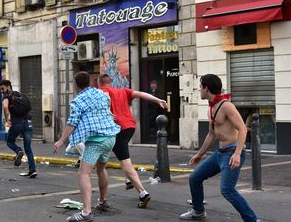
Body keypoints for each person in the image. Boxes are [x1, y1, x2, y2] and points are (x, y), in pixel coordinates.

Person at [180, 74, 260, 222]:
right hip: (220, 153)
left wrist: (237, 154)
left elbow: (242, 129)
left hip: (232, 153)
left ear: (206, 88)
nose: (199, 90)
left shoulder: (226, 106)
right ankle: (198, 211)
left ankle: (253, 220)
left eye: (200, 87)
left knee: (227, 190)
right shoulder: (211, 108)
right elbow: (211, 134)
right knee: (195, 178)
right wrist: (199, 154)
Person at [53, 71, 120, 222]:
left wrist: (61, 141)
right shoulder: (101, 94)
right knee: (101, 169)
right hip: (110, 137)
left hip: (96, 141)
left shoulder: (79, 101)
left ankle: (86, 212)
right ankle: (102, 201)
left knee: (83, 173)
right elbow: (108, 107)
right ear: (90, 82)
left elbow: (72, 123)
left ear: (76, 85)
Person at [98, 74, 168, 208]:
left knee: (125, 162)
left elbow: (106, 96)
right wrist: (158, 100)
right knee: (123, 155)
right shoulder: (123, 91)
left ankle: (143, 193)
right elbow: (141, 94)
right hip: (130, 127)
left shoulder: (103, 91)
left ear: (100, 84)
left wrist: (107, 110)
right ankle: (128, 180)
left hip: (118, 128)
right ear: (111, 82)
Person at [0, 80, 37, 178]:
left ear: (8, 87)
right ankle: (32, 170)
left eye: (2, 88)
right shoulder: (20, 94)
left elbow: (5, 107)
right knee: (28, 148)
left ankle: (18, 150)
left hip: (17, 124)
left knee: (10, 142)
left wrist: (7, 120)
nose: (2, 91)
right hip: (28, 123)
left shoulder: (7, 96)